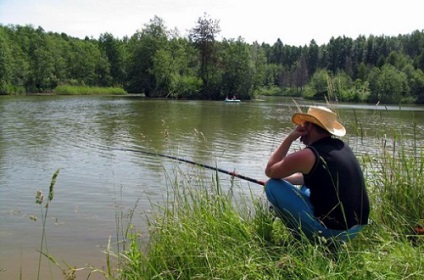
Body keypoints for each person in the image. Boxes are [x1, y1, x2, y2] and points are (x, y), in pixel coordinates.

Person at [265, 105, 370, 242]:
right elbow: (319, 178)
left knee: (272, 186)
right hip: (354, 230)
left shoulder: (308, 155)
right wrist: (285, 181)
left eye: (304, 124)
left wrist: (290, 138)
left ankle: (303, 240)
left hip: (331, 232)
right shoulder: (341, 146)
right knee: (307, 186)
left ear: (308, 127)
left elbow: (270, 170)